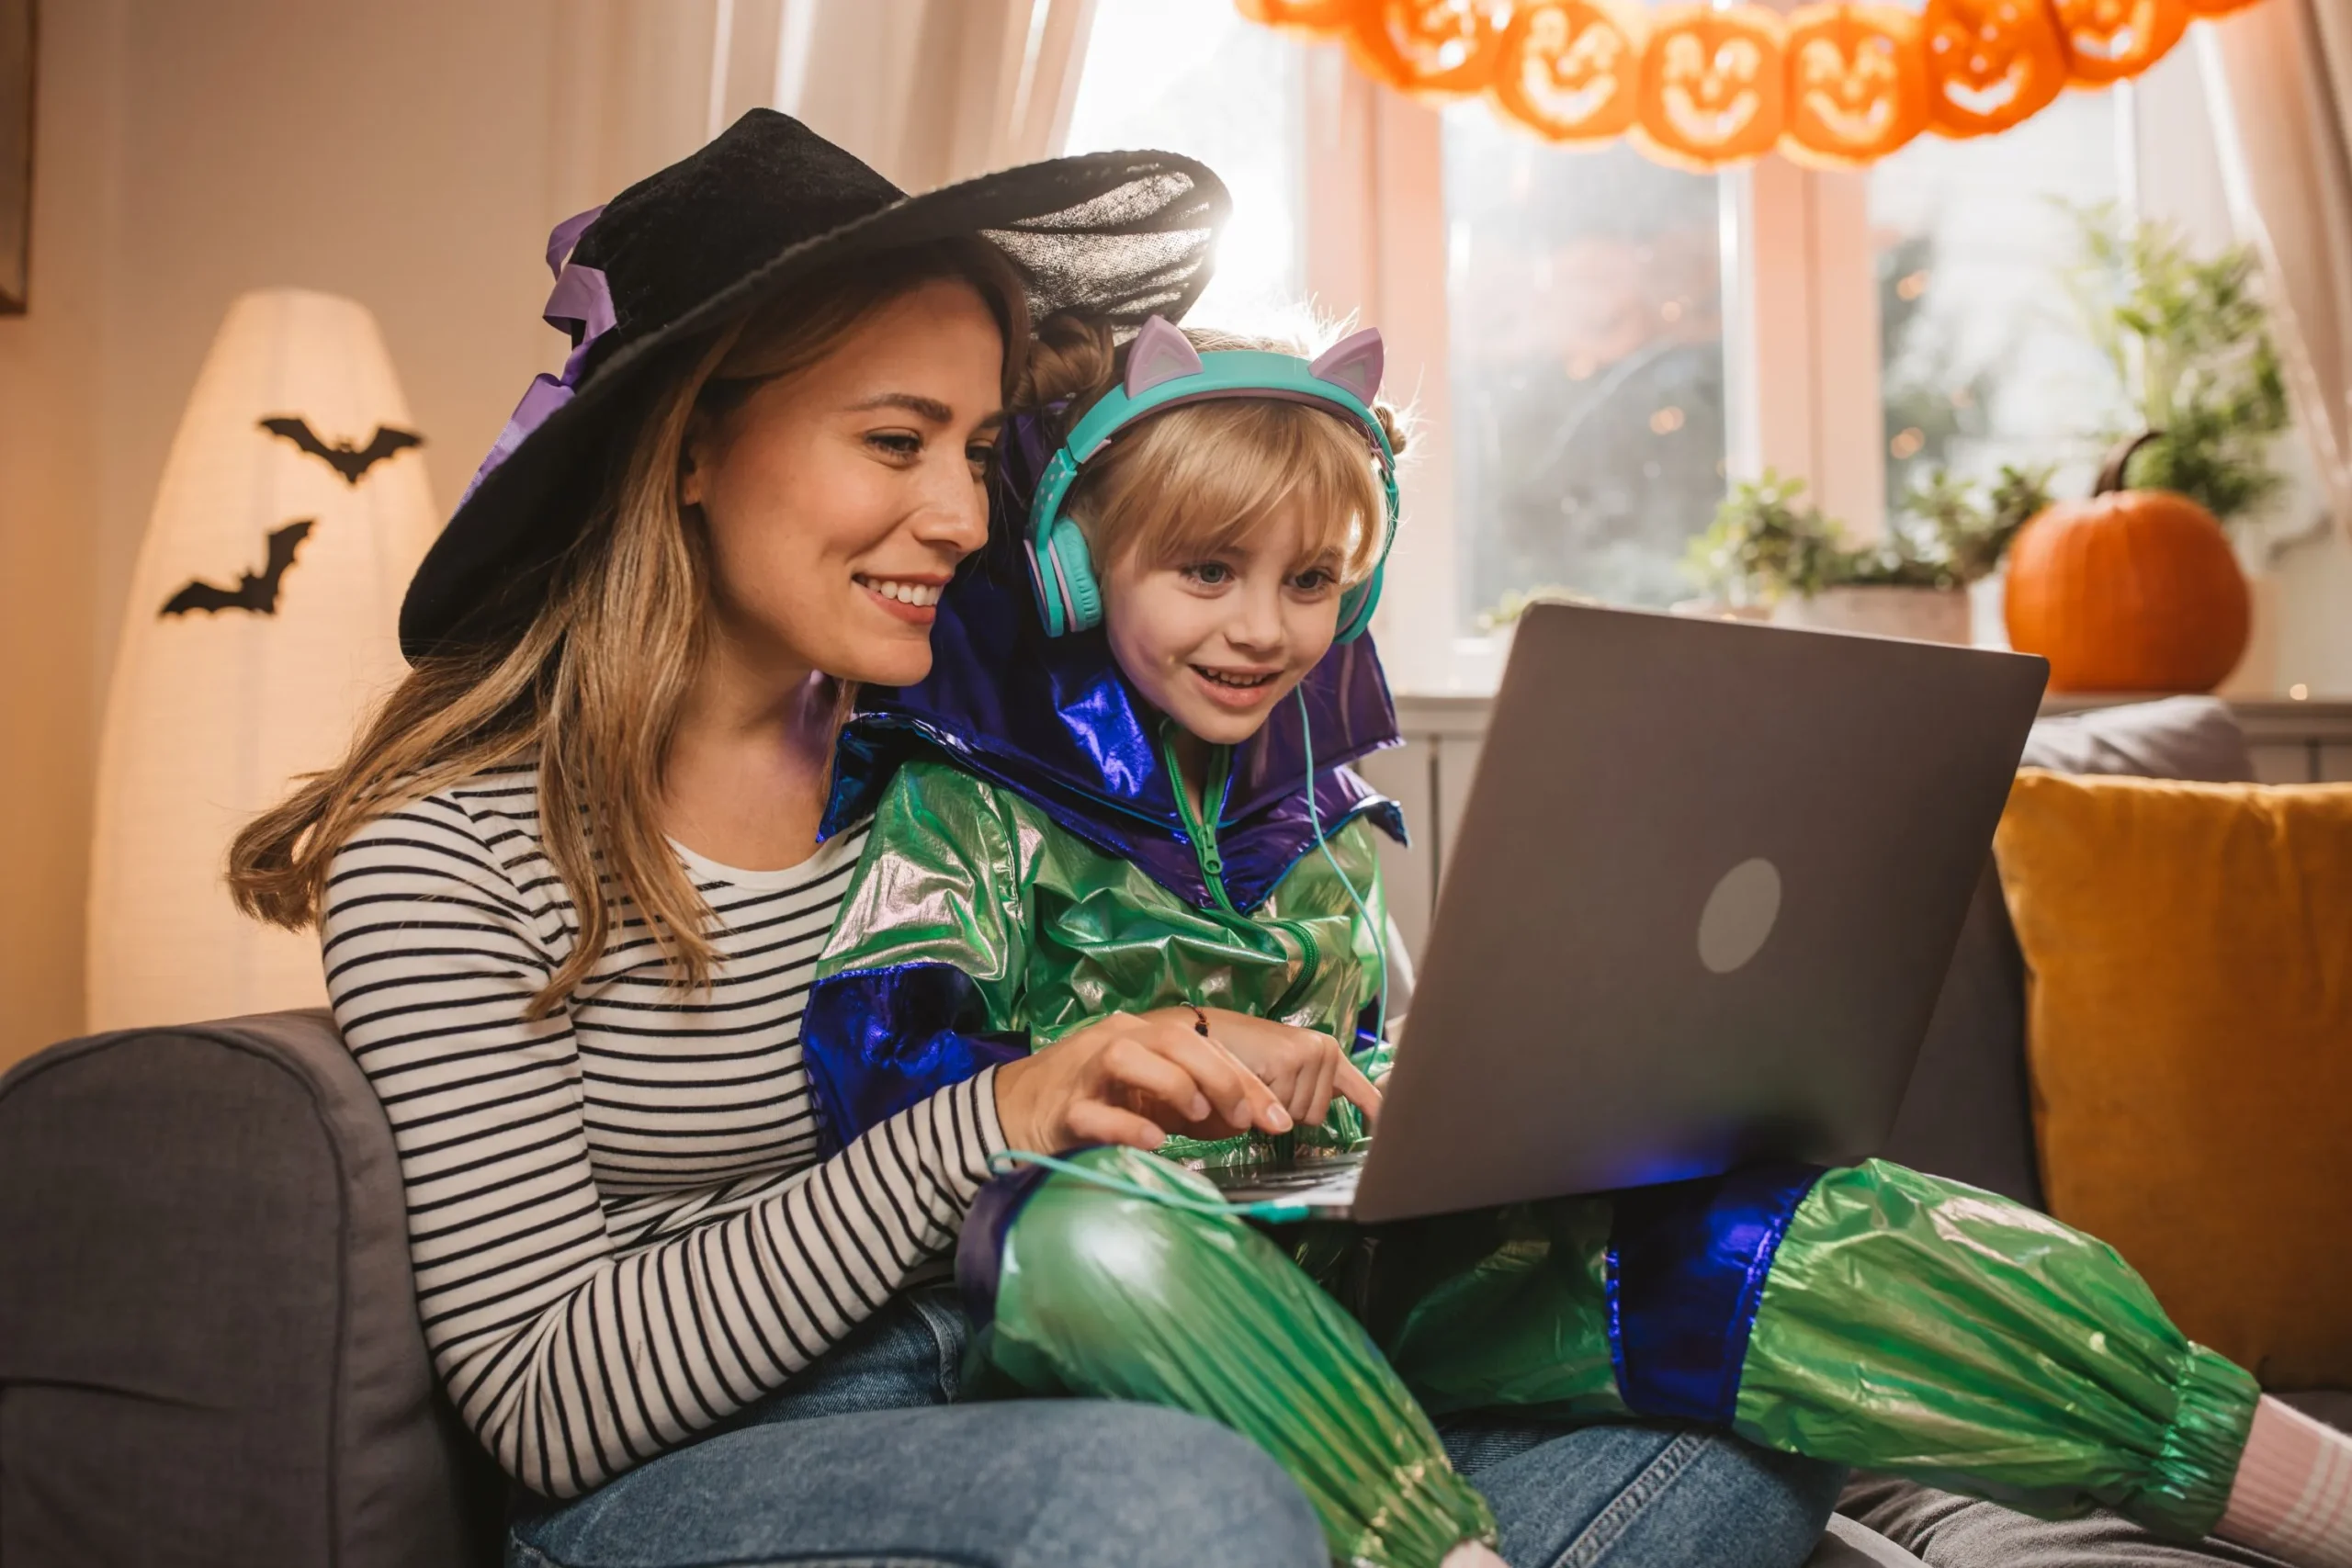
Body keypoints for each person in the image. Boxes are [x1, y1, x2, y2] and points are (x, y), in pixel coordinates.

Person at [225, 111, 1843, 1568]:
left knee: (1726, 1462)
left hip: (1054, 1358)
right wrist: (1000, 1114)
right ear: (692, 446)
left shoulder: (951, 767)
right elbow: (550, 1400)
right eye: (894, 440)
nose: (964, 518)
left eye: (982, 453)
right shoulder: (448, 859)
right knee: (1183, 1509)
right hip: (718, 1466)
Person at [801, 308, 2352, 1568]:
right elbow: (884, 1080)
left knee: (1794, 1210)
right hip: (1144, 1284)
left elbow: (1374, 1059)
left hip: (1367, 1257)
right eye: (1205, 572)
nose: (1263, 629)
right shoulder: (973, 807)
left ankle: (2281, 1484)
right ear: (1082, 564)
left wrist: (1453, 1092)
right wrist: (1153, 1069)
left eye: (1312, 582)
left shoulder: (1329, 821)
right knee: (1093, 1233)